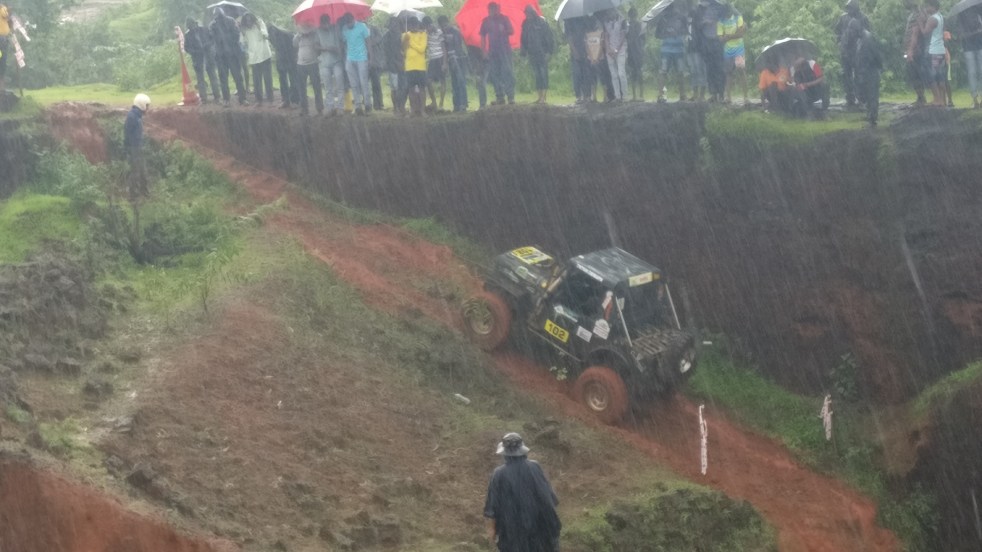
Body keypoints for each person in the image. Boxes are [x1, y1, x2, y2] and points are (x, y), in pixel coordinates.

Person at [484, 433, 561, 552]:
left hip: (513, 536)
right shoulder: (535, 467)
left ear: (505, 454)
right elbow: (550, 500)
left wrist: (492, 532)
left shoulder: (498, 474)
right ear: (523, 451)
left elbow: (492, 509)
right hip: (542, 533)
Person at [834, 0, 870, 108]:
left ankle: (862, 99)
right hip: (845, 50)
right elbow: (837, 30)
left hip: (858, 51)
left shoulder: (863, 18)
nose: (849, 10)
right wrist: (840, 41)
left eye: (851, 7)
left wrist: (863, 46)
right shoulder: (843, 17)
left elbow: (868, 34)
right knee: (846, 75)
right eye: (848, 7)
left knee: (860, 75)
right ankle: (849, 99)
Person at [211, 8, 248, 106]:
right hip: (221, 56)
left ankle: (242, 98)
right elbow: (212, 39)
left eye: (219, 17)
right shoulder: (213, 25)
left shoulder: (231, 21)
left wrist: (226, 37)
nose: (218, 19)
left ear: (222, 15)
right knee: (223, 79)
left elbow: (236, 34)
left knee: (238, 77)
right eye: (216, 17)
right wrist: (220, 39)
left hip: (232, 54)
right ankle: (226, 99)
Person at [480, 2, 516, 105]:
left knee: (507, 72)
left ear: (498, 9)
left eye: (495, 9)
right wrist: (484, 51)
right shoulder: (486, 21)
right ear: (489, 10)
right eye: (491, 9)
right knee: (495, 74)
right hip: (493, 51)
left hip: (505, 50)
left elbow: (511, 31)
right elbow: (482, 36)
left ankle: (511, 97)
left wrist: (504, 30)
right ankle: (500, 96)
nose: (493, 11)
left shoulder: (504, 19)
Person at [520, 5, 554, 104]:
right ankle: (539, 97)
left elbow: (549, 37)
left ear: (533, 13)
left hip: (542, 53)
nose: (527, 15)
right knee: (537, 75)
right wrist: (523, 52)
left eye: (528, 13)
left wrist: (549, 52)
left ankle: (544, 97)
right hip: (532, 53)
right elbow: (523, 39)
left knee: (543, 74)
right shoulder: (525, 23)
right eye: (526, 13)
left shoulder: (542, 22)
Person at [655, 2, 688, 103]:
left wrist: (676, 32)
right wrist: (666, 33)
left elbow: (686, 31)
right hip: (666, 49)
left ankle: (682, 94)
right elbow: (657, 34)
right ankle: (660, 94)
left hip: (679, 48)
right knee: (663, 71)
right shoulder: (662, 19)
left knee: (680, 71)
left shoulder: (681, 18)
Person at [240, 13, 274, 107]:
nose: (249, 22)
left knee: (268, 78)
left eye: (250, 20)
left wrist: (260, 28)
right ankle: (259, 100)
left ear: (253, 19)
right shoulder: (244, 29)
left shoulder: (260, 23)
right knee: (256, 80)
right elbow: (242, 42)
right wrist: (242, 35)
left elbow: (266, 35)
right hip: (254, 57)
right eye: (247, 21)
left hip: (265, 54)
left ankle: (270, 98)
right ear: (245, 21)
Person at [341, 13, 372, 115]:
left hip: (362, 58)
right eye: (347, 22)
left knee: (363, 82)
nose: (349, 24)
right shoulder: (344, 29)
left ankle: (367, 105)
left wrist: (370, 56)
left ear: (353, 19)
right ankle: (358, 106)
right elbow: (344, 42)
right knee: (353, 84)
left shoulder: (362, 26)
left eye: (350, 22)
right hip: (350, 58)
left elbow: (368, 41)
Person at [185, 18, 221, 105]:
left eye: (192, 25)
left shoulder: (204, 30)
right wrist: (195, 52)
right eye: (189, 27)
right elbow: (187, 48)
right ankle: (203, 99)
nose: (191, 28)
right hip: (197, 58)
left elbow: (212, 40)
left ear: (195, 23)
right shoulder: (188, 35)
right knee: (200, 78)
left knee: (212, 76)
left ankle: (217, 97)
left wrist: (207, 46)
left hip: (208, 55)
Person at [853, 22, 882, 127]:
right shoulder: (860, 38)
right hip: (864, 71)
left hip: (870, 70)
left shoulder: (867, 38)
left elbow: (873, 56)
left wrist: (865, 71)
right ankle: (870, 117)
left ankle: (872, 119)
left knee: (872, 95)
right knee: (866, 95)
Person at [695, 0, 725, 102]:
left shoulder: (720, 7)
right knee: (709, 69)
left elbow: (725, 20)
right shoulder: (699, 10)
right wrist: (703, 23)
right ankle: (713, 94)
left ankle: (721, 94)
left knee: (719, 68)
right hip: (706, 41)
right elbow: (696, 26)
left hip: (717, 41)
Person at [717, 3, 747, 105]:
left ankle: (745, 97)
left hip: (739, 49)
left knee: (741, 71)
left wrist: (728, 36)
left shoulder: (738, 17)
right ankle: (728, 97)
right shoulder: (720, 22)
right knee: (729, 74)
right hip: (728, 51)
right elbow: (721, 39)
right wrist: (734, 35)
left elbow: (741, 33)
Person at [317, 15, 345, 116]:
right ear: (321, 23)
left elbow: (342, 41)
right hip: (324, 61)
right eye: (324, 23)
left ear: (329, 21)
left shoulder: (336, 28)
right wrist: (325, 48)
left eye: (327, 22)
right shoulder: (318, 31)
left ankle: (340, 107)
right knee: (327, 86)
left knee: (340, 84)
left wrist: (338, 49)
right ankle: (329, 107)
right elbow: (315, 45)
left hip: (337, 60)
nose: (326, 25)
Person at [124, 94, 151, 202]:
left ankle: (145, 193)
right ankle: (132, 196)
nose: (148, 108)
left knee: (143, 171)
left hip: (138, 147)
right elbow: (127, 133)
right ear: (142, 105)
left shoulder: (137, 115)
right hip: (134, 148)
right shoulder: (132, 117)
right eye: (147, 106)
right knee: (135, 172)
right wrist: (127, 148)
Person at [440, 15, 469, 112]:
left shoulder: (455, 31)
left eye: (444, 25)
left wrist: (454, 58)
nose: (444, 27)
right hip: (451, 60)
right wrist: (445, 63)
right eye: (442, 26)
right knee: (454, 82)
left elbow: (458, 46)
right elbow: (444, 49)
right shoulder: (443, 34)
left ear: (447, 23)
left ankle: (463, 104)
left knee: (461, 81)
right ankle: (456, 105)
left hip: (459, 59)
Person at [920, 0, 945, 107]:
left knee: (932, 75)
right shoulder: (940, 16)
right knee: (940, 76)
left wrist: (920, 23)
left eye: (928, 6)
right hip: (940, 50)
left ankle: (937, 98)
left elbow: (925, 32)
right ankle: (942, 99)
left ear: (933, 7)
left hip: (933, 50)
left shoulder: (932, 18)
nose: (926, 8)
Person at [268, 23, 299, 108]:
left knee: (293, 80)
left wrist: (295, 56)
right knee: (282, 80)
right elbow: (276, 47)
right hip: (280, 59)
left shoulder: (287, 34)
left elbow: (295, 46)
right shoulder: (270, 36)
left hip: (290, 58)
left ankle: (295, 100)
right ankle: (285, 100)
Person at [294, 24, 324, 116]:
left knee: (316, 86)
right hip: (301, 64)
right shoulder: (298, 36)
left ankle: (319, 108)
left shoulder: (315, 35)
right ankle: (304, 108)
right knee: (302, 87)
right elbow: (294, 45)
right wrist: (299, 36)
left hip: (312, 63)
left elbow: (318, 48)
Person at [402, 17, 428, 116]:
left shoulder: (423, 34)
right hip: (409, 66)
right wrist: (405, 41)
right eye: (411, 25)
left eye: (415, 24)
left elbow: (422, 49)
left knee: (422, 89)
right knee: (411, 89)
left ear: (418, 25)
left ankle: (422, 110)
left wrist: (411, 43)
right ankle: (413, 109)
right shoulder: (406, 35)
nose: (413, 27)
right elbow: (404, 51)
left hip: (420, 66)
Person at [903, 0, 927, 106]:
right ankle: (920, 97)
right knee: (912, 73)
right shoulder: (912, 14)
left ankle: (921, 97)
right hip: (910, 49)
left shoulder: (918, 14)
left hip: (916, 50)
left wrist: (911, 50)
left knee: (916, 73)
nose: (904, 3)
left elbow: (915, 34)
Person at [603, 9, 628, 101]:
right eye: (608, 12)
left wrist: (616, 50)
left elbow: (623, 36)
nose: (609, 13)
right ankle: (617, 96)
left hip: (621, 49)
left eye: (611, 11)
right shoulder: (606, 22)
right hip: (609, 51)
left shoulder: (622, 21)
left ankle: (625, 95)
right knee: (614, 75)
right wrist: (608, 49)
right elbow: (606, 37)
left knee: (621, 73)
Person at [958, 9, 982, 109]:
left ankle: (979, 99)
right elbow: (960, 33)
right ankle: (975, 99)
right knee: (972, 72)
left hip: (979, 45)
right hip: (968, 46)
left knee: (980, 71)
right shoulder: (961, 14)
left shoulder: (979, 10)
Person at [564, 16, 591, 103]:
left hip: (585, 50)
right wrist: (575, 51)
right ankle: (579, 96)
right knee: (577, 74)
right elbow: (569, 38)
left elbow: (587, 35)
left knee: (586, 74)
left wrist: (588, 50)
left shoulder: (584, 19)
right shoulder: (568, 22)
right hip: (575, 50)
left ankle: (587, 95)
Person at [383, 17, 407, 115]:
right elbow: (387, 52)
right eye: (392, 24)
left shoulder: (403, 35)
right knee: (395, 88)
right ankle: (396, 108)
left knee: (404, 87)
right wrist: (395, 61)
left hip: (403, 64)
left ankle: (402, 106)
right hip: (392, 65)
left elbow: (404, 50)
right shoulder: (386, 36)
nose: (394, 26)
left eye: (396, 24)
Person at [687, 7, 707, 101]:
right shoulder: (688, 24)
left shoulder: (698, 24)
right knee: (693, 71)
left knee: (700, 70)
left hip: (698, 50)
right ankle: (695, 93)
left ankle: (701, 94)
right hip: (690, 49)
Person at [625, 7, 645, 101]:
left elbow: (629, 39)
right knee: (637, 72)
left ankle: (637, 95)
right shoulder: (638, 25)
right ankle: (639, 95)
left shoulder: (634, 26)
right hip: (637, 52)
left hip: (634, 52)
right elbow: (643, 39)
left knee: (636, 72)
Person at [367, 21, 386, 111]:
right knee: (365, 84)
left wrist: (369, 42)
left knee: (376, 84)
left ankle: (378, 104)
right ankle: (369, 104)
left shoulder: (373, 28)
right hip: (364, 59)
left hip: (375, 61)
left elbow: (379, 39)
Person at [0, 3, 9, 94]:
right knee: (2, 61)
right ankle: (1, 88)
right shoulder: (2, 9)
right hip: (1, 39)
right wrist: (4, 7)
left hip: (2, 39)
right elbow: (5, 14)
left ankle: (1, 88)